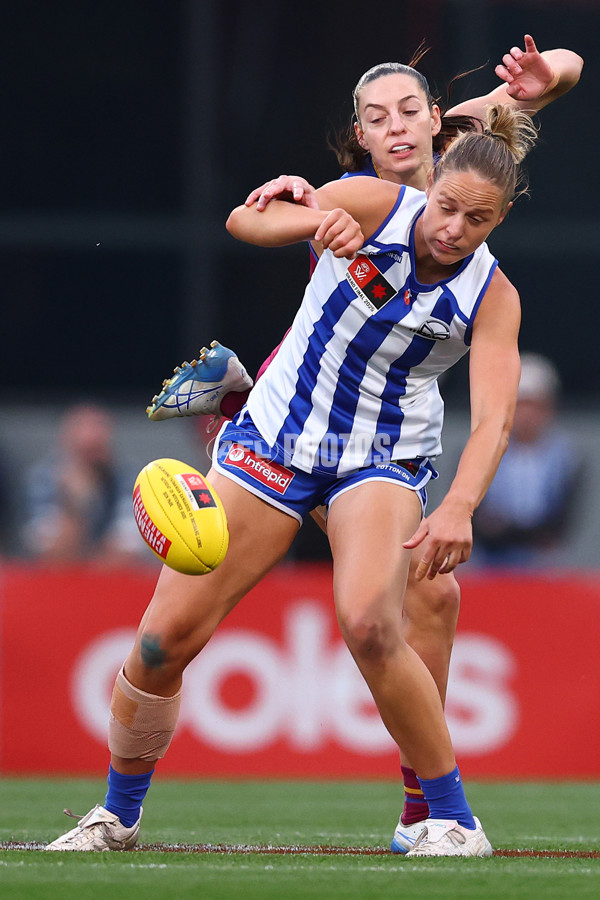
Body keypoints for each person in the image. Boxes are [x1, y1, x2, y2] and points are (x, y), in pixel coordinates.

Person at [47, 102, 536, 857]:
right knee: (159, 642)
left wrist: (461, 506)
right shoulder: (379, 201)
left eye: (477, 220)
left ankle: (452, 820)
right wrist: (308, 220)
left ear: (498, 221)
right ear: (430, 189)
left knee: (372, 622)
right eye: (446, 207)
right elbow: (247, 226)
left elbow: (496, 418)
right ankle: (115, 816)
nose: (452, 229)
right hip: (275, 441)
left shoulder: (492, 297)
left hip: (378, 458)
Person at [143, 35, 583, 854]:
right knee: (175, 634)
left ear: (434, 122)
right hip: (297, 421)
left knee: (428, 601)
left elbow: (564, 69)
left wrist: (541, 77)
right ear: (362, 136)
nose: (401, 129)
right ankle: (241, 400)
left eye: (412, 112)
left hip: (384, 443)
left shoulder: (463, 160)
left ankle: (431, 812)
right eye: (379, 120)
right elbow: (252, 220)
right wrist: (305, 211)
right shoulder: (363, 199)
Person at [472, 352, 582, 567]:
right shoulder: (482, 449)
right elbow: (475, 512)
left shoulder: (567, 457)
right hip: (488, 558)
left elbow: (563, 517)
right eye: (521, 405)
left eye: (535, 405)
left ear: (549, 408)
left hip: (543, 560)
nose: (527, 414)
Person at [21, 404, 147, 566]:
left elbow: (126, 555)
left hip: (115, 584)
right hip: (56, 583)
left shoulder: (131, 479)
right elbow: (52, 557)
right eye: (83, 448)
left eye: (96, 445)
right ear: (65, 440)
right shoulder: (43, 480)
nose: (90, 439)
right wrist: (75, 503)